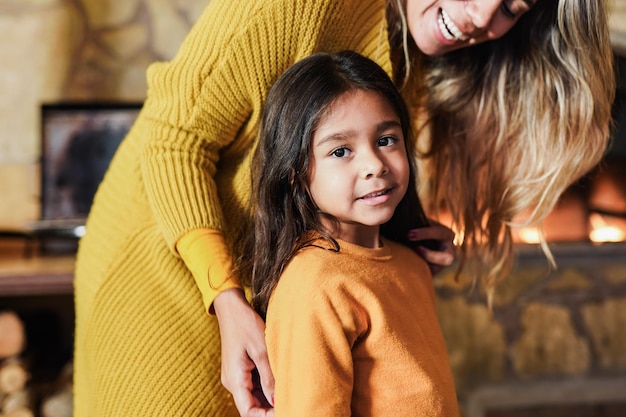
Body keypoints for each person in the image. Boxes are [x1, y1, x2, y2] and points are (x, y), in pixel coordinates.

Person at [72, 0, 615, 416]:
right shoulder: (298, 9)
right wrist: (227, 300)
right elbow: (174, 142)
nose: (479, 16)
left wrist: (410, 231)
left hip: (265, 276)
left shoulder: (420, 50)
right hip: (162, 262)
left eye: (511, 9)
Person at [243, 49, 460, 416]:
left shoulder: (410, 262)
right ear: (295, 172)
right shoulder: (315, 284)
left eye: (387, 140)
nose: (374, 164)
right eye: (341, 150)